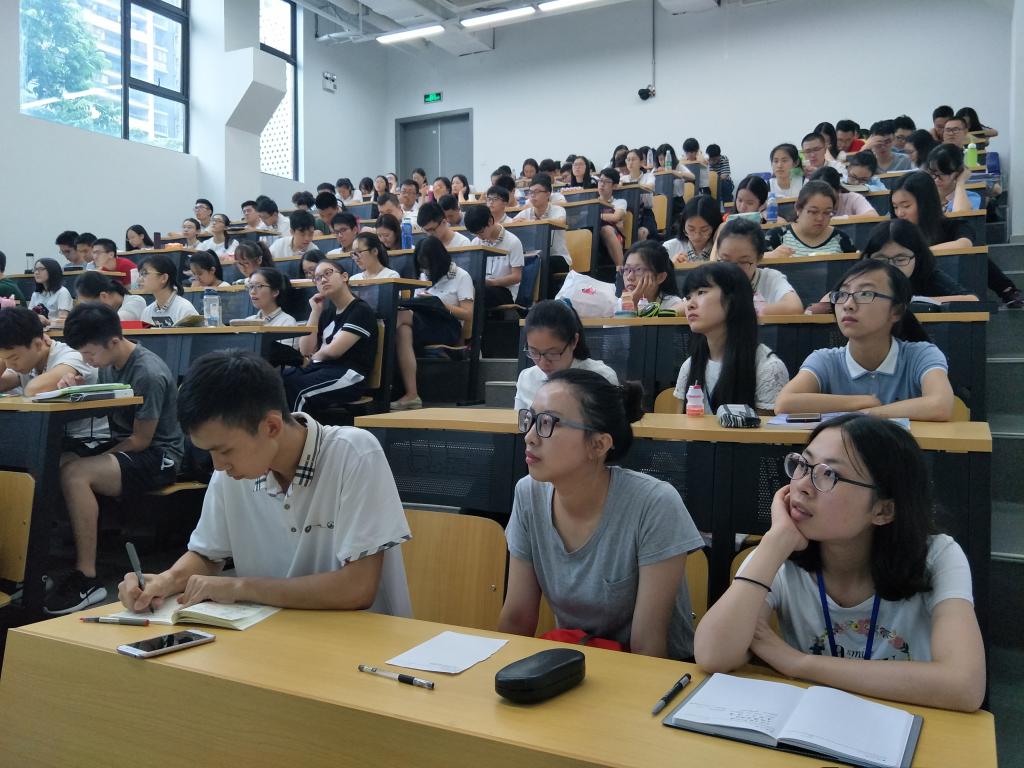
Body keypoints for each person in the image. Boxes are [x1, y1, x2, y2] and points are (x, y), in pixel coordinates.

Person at [694, 414, 985, 712]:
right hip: (811, 722)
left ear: (883, 511)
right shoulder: (779, 551)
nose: (802, 485)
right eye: (803, 465)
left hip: (908, 723)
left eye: (829, 475)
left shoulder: (936, 556)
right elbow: (712, 654)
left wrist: (799, 663)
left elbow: (964, 685)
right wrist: (773, 543)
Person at [116, 349, 412, 617]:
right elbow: (208, 556)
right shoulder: (233, 473)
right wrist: (167, 580)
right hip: (273, 634)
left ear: (271, 426)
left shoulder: (353, 453)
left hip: (362, 642)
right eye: (209, 452)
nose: (217, 466)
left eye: (225, 450)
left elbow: (357, 588)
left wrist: (240, 587)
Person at [500, 368, 703, 659]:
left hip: (653, 673)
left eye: (547, 423)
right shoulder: (528, 493)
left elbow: (648, 647)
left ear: (598, 445)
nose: (530, 437)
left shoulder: (654, 503)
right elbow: (517, 618)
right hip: (573, 663)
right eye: (530, 419)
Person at [51, 303, 184, 614]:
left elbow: (141, 440)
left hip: (160, 456)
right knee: (59, 460)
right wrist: (77, 388)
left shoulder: (148, 372)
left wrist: (97, 458)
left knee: (75, 473)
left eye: (89, 354)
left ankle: (87, 576)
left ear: (113, 341)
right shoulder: (108, 361)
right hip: (127, 446)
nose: (87, 360)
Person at [775, 260, 954, 421]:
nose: (848, 305)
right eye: (842, 294)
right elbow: (784, 403)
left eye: (865, 294)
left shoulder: (921, 355)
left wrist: (870, 413)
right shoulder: (825, 360)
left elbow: (940, 405)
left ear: (897, 311)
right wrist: (862, 401)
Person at [890, 171, 1022, 308]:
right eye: (895, 207)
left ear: (925, 203)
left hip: (944, 292)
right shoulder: (892, 232)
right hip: (904, 297)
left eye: (906, 206)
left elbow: (964, 244)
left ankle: (1007, 289)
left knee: (975, 254)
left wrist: (920, 252)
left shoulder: (952, 225)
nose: (900, 213)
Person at [673, 262, 789, 413]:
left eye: (701, 292)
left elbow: (766, 429)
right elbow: (681, 426)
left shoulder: (769, 369)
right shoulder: (690, 366)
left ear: (732, 299)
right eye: (688, 297)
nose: (689, 305)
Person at [391, 237, 475, 410]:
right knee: (403, 331)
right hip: (422, 323)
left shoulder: (461, 276)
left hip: (448, 327)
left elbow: (468, 314)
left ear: (439, 261)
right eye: (422, 267)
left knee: (400, 317)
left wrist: (439, 303)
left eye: (428, 266)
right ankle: (412, 395)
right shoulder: (423, 276)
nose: (425, 271)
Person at [283, 260, 378, 411]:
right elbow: (305, 349)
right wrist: (315, 312)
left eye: (328, 273)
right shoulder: (327, 313)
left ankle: (293, 426)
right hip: (321, 369)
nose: (323, 280)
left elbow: (334, 351)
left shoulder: (360, 310)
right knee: (280, 380)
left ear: (344, 277)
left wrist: (312, 357)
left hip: (348, 375)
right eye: (317, 278)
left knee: (298, 389)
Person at [513, 299, 618, 411]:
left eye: (552, 353)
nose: (543, 363)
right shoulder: (527, 378)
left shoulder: (601, 378)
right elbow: (521, 421)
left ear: (574, 341)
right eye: (534, 352)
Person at [0, 306, 99, 400]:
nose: (9, 365)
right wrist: (3, 357)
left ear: (38, 345)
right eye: (5, 359)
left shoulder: (72, 356)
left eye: (14, 358)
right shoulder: (27, 361)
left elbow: (35, 390)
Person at [860, 220, 976, 300]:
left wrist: (918, 301)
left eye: (900, 260)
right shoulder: (861, 277)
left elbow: (971, 299)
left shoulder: (927, 275)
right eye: (881, 260)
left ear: (917, 257)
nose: (891, 267)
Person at [715, 217, 803, 315]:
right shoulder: (712, 279)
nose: (733, 269)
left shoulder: (770, 278)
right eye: (726, 261)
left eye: (743, 262)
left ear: (759, 258)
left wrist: (747, 310)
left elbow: (795, 308)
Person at [766, 181, 854, 258]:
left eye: (827, 213)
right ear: (798, 208)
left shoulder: (841, 239)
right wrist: (768, 256)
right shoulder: (777, 236)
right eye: (813, 212)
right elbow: (758, 263)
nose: (820, 218)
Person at [464, 205, 524, 306]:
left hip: (504, 291)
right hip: (483, 288)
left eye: (481, 232)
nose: (479, 237)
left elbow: (516, 277)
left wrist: (491, 282)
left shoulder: (513, 242)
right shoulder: (476, 242)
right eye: (475, 234)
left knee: (480, 293)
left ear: (490, 221)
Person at [616, 240, 683, 314]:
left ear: (660, 277)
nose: (629, 277)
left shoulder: (673, 304)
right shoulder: (619, 303)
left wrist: (635, 303)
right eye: (626, 269)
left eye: (638, 269)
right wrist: (632, 303)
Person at [138, 254, 199, 327]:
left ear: (164, 278)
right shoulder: (146, 312)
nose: (139, 279)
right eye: (140, 274)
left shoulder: (185, 309)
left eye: (144, 274)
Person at [666, 195, 720, 264]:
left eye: (704, 230)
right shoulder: (670, 248)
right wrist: (671, 267)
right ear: (683, 226)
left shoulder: (722, 250)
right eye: (691, 229)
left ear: (715, 226)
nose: (697, 236)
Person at [926, 143, 980, 212]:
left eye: (943, 173)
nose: (936, 179)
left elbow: (961, 215)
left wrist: (960, 182)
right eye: (933, 173)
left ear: (958, 172)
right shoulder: (925, 197)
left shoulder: (971, 197)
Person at [74, 271, 147, 320]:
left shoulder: (136, 302)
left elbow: (112, 324)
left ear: (103, 296)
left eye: (88, 305)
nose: (87, 311)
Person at [619, 151, 656, 240]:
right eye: (628, 160)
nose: (630, 162)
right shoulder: (623, 179)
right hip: (627, 214)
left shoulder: (648, 176)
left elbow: (650, 187)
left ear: (641, 162)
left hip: (645, 214)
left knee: (641, 232)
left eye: (633, 159)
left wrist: (633, 185)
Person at [594, 168, 628, 268]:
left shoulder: (619, 202)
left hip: (615, 237)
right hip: (595, 238)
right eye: (600, 180)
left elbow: (615, 217)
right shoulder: (592, 202)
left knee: (606, 229)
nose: (602, 184)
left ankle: (621, 269)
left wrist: (594, 216)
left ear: (615, 186)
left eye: (606, 181)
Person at [809, 167, 874, 218]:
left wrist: (838, 219)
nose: (822, 197)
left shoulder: (853, 199)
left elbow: (873, 216)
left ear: (838, 190)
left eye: (827, 193)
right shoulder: (809, 202)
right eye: (817, 193)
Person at [29, 258, 73, 324]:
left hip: (57, 330)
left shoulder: (62, 292)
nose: (36, 272)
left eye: (41, 269)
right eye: (35, 269)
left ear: (52, 271)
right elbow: (29, 315)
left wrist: (47, 321)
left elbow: (64, 320)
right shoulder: (36, 294)